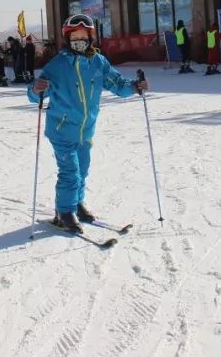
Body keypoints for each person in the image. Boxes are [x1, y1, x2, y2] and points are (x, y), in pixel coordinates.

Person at [29, 14, 149, 233]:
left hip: (85, 130)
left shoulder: (98, 62)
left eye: (84, 36)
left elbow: (117, 83)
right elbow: (35, 91)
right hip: (62, 130)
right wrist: (36, 89)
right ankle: (64, 212)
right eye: (74, 36)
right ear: (67, 38)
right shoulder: (57, 65)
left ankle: (76, 203)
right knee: (70, 172)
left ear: (91, 37)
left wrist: (134, 86)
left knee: (82, 170)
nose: (79, 40)